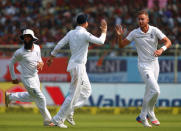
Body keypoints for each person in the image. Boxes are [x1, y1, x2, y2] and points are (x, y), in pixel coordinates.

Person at [46, 13, 107, 128]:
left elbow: (59, 44)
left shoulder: (71, 33)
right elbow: (101, 42)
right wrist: (104, 31)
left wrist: (51, 57)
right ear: (85, 23)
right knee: (72, 95)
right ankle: (57, 120)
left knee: (87, 91)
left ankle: (69, 111)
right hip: (78, 67)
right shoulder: (84, 34)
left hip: (77, 66)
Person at [115, 10, 172, 128]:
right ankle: (151, 113)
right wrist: (120, 36)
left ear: (148, 20)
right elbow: (121, 45)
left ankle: (142, 116)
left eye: (142, 19)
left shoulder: (155, 30)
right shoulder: (135, 33)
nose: (140, 21)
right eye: (139, 19)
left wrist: (161, 50)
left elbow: (168, 42)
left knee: (149, 92)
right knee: (156, 90)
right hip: (144, 66)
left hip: (155, 64)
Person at [5, 29, 52, 126]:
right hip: (27, 79)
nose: (26, 39)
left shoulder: (38, 48)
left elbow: (39, 60)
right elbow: (11, 63)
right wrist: (13, 77)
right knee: (41, 97)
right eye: (25, 37)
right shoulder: (19, 52)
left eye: (28, 37)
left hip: (35, 77)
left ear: (32, 38)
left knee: (33, 97)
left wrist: (41, 63)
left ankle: (10, 96)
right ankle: (48, 121)